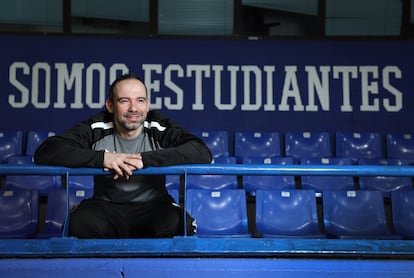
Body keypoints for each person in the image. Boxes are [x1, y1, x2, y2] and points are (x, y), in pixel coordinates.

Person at [34, 73, 212, 238]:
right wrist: (103, 158)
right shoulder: (97, 127)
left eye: (140, 100)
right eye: (124, 101)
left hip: (154, 206)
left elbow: (202, 152)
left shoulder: (158, 126)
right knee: (78, 223)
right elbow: (46, 152)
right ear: (110, 106)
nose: (133, 108)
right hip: (106, 207)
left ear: (148, 105)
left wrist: (145, 159)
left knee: (180, 224)